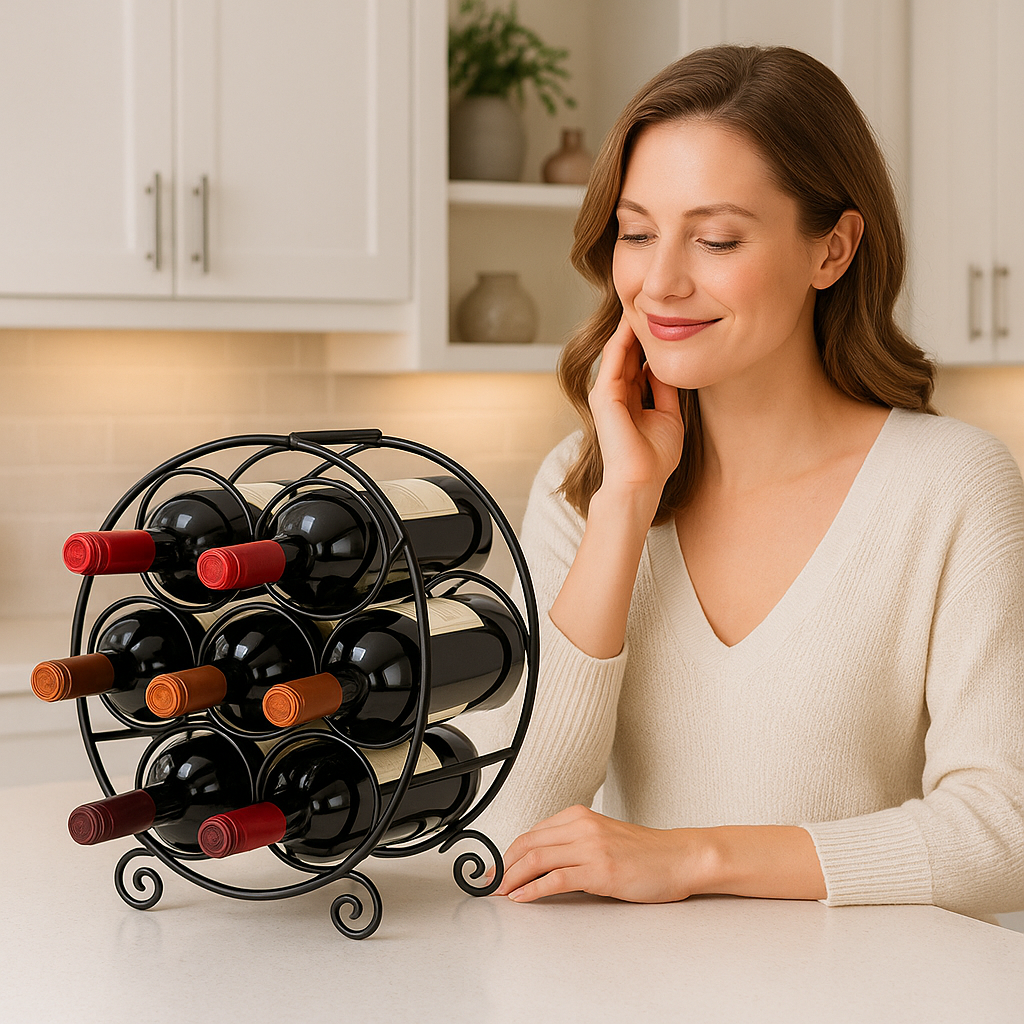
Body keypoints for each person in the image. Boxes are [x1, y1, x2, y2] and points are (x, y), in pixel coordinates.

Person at [470, 44, 1024, 920]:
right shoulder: (585, 487)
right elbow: (503, 837)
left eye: (717, 238)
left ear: (832, 249)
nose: (660, 283)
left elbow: (1003, 836)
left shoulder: (951, 485)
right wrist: (624, 506)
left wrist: (692, 857)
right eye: (637, 232)